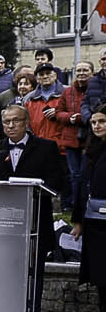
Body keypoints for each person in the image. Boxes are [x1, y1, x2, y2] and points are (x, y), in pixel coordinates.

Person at [0, 103, 62, 312]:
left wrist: (34, 186)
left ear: (27, 123)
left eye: (16, 121)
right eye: (6, 122)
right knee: (5, 273)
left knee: (34, 275)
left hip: (35, 222)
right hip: (4, 224)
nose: (11, 126)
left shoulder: (46, 147)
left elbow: (58, 181)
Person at [49, 61, 94, 212]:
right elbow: (58, 112)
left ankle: (87, 203)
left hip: (90, 138)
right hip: (70, 139)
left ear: (92, 73)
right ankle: (75, 204)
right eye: (79, 70)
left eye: (85, 70)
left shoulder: (96, 89)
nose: (81, 73)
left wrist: (83, 117)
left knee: (87, 173)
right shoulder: (67, 92)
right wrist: (70, 117)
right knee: (74, 174)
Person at [77, 110, 106, 312]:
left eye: (102, 121)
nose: (96, 126)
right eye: (94, 122)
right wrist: (78, 220)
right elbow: (82, 184)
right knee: (99, 274)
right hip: (95, 219)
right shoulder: (92, 151)